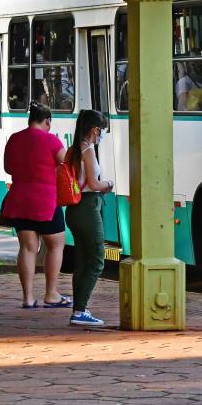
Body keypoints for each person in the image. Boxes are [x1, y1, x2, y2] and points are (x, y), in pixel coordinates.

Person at [2, 101, 70, 309]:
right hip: (47, 201)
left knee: (27, 248)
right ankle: (51, 294)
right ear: (47, 121)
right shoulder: (51, 140)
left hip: (20, 200)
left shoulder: (14, 139)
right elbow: (66, 163)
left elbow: (8, 168)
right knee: (56, 244)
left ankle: (28, 298)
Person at [65, 110, 114, 326]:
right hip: (87, 207)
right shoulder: (88, 151)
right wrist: (109, 184)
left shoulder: (72, 150)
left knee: (82, 261)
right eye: (101, 131)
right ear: (94, 130)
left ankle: (78, 309)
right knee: (96, 260)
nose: (101, 135)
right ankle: (80, 310)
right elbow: (94, 184)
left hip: (74, 210)